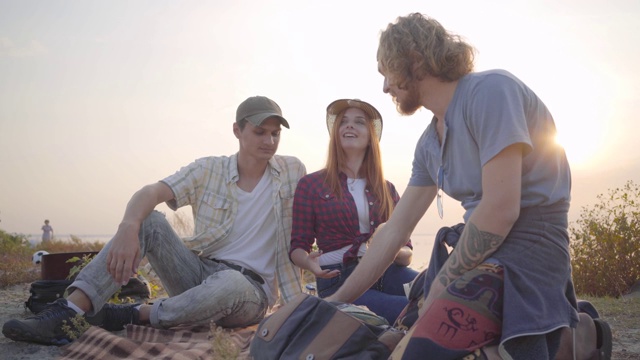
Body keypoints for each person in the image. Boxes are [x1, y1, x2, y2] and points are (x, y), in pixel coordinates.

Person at [326, 13, 612, 360]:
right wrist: (336, 299)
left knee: (428, 350)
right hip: (480, 251)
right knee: (391, 344)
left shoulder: (491, 91)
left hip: (532, 245)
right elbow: (394, 230)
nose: (385, 86)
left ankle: (571, 335)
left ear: (413, 59)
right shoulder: (429, 142)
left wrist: (442, 287)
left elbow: (501, 210)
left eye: (386, 71)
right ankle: (569, 330)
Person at [3, 95, 306, 346]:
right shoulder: (209, 169)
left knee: (230, 282)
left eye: (275, 133)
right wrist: (128, 228)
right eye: (259, 131)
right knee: (150, 220)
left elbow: (327, 191)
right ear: (237, 131)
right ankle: (68, 311)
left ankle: (130, 314)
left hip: (250, 292)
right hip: (199, 274)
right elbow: (151, 191)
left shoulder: (291, 171)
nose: (269, 140)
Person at [289, 98, 418, 324]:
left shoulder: (386, 189)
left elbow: (406, 253)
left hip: (386, 271)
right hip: (338, 278)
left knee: (440, 291)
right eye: (343, 122)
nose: (349, 126)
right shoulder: (311, 184)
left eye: (359, 122)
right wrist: (310, 264)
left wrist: (386, 245)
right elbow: (298, 247)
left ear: (370, 137)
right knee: (411, 312)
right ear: (336, 134)